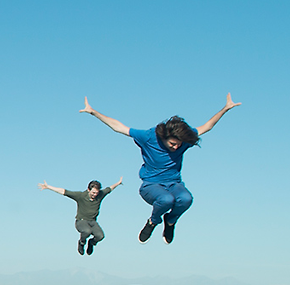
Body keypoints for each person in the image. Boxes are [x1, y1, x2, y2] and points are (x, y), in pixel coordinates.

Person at [81, 95, 241, 244]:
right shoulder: (149, 137)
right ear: (164, 137)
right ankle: (152, 222)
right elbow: (119, 127)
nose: (176, 147)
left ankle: (170, 221)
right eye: (172, 144)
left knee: (186, 199)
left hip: (174, 183)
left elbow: (207, 126)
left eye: (178, 144)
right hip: (151, 185)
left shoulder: (184, 140)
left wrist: (225, 109)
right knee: (166, 200)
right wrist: (94, 112)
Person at [39, 179, 124, 255]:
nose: (95, 195)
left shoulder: (100, 194)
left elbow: (110, 188)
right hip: (81, 221)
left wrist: (118, 183)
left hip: (92, 222)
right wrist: (48, 187)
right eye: (93, 193)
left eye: (96, 193)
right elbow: (64, 191)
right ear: (88, 190)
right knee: (87, 231)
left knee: (100, 236)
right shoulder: (81, 196)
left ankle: (91, 243)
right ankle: (81, 243)